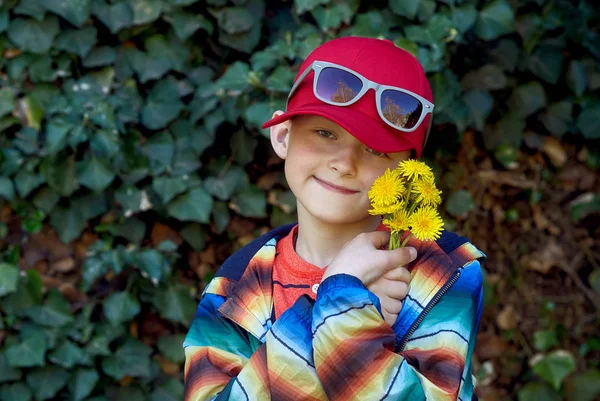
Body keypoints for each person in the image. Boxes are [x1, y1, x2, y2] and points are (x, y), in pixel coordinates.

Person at [183, 36, 486, 401]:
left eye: (375, 149)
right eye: (325, 133)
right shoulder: (232, 288)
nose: (344, 163)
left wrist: (343, 316)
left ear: (407, 171)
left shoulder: (442, 272)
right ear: (282, 136)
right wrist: (338, 300)